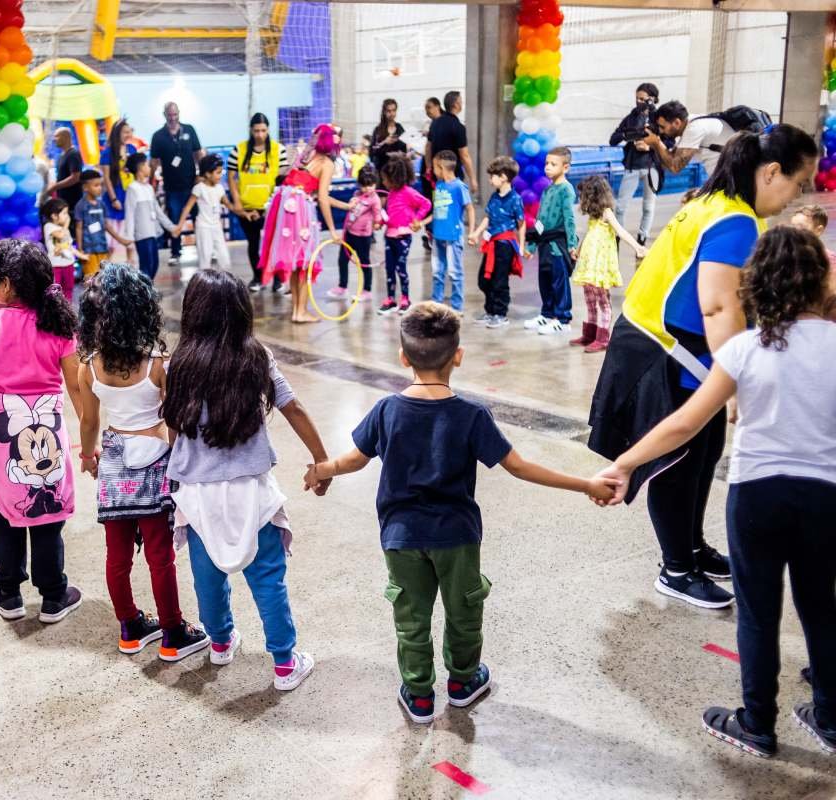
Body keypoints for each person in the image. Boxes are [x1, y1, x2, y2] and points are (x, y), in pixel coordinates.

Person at [305, 302, 616, 722]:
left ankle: (418, 694)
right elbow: (520, 467)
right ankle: (463, 682)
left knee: (411, 617)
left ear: (403, 356)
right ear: (458, 356)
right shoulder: (471, 416)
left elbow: (353, 460)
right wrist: (586, 484)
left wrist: (322, 470)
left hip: (401, 538)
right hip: (458, 538)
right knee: (464, 611)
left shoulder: (387, 410)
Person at [595, 226, 836, 759]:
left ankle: (757, 723)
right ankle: (830, 717)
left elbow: (684, 424)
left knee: (757, 610)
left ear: (758, 285)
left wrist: (627, 463)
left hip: (757, 496)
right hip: (826, 498)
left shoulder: (747, 347)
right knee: (821, 605)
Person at [587, 125, 818, 610]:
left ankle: (692, 548)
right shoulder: (734, 221)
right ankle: (676, 570)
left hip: (667, 344)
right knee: (678, 463)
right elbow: (719, 308)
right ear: (771, 171)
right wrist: (735, 386)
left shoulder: (716, 206)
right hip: (665, 350)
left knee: (703, 452)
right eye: (798, 183)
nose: (798, 195)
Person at [163, 269, 330, 690]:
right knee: (268, 579)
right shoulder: (256, 357)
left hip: (197, 495)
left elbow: (172, 425)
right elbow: (293, 407)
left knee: (207, 577)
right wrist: (320, 459)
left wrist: (176, 468)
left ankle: (220, 643)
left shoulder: (178, 363)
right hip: (251, 492)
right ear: (241, 313)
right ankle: (285, 664)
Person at [77, 264, 210, 661]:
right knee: (160, 556)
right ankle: (172, 632)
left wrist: (88, 456)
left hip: (114, 462)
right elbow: (172, 422)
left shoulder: (89, 366)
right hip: (155, 463)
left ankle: (130, 627)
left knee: (116, 556)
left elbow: (89, 421)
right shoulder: (158, 364)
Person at [0, 239, 84, 623]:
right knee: (47, 508)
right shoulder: (59, 327)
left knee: (2, 513)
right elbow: (76, 386)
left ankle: (9, 592)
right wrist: (88, 437)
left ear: (7, 284)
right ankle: (53, 594)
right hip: (47, 429)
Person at [259, 123, 350, 324]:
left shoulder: (305, 157)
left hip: (286, 204)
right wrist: (334, 230)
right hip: (301, 209)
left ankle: (297, 310)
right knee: (305, 260)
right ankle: (301, 311)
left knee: (295, 260)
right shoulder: (327, 163)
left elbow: (317, 192)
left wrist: (345, 206)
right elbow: (323, 199)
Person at [570, 176, 648, 352]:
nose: (581, 199)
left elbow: (620, 231)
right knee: (589, 300)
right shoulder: (593, 216)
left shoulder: (607, 213)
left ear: (593, 196)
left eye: (583, 195)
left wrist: (637, 247)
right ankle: (589, 334)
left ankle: (603, 338)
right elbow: (589, 235)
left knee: (602, 300)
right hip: (589, 264)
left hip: (601, 265)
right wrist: (579, 250)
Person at [226, 113, 288, 292]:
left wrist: (273, 202)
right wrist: (237, 202)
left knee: (274, 245)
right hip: (247, 208)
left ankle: (277, 279)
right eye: (256, 131)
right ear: (251, 131)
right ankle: (258, 277)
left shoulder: (279, 150)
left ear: (268, 130)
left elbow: (282, 179)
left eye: (263, 130)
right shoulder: (239, 150)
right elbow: (231, 177)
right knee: (253, 244)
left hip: (272, 207)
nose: (260, 135)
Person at [524, 146, 578, 335]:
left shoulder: (566, 190)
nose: (547, 167)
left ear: (565, 168)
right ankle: (547, 314)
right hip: (544, 244)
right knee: (545, 279)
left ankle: (562, 319)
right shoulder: (547, 190)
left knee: (559, 280)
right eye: (546, 163)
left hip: (558, 244)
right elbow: (540, 219)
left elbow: (569, 219)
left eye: (553, 164)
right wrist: (531, 244)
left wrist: (572, 244)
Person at [468, 157, 526, 328]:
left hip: (505, 245)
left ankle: (500, 313)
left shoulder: (515, 199)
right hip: (491, 243)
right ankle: (490, 311)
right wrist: (476, 233)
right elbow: (488, 217)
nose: (489, 180)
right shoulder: (494, 197)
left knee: (500, 280)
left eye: (492, 176)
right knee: (484, 279)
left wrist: (521, 246)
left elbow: (521, 224)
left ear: (503, 177)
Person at [149, 102, 204, 266]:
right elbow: (154, 161)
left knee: (198, 217)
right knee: (173, 218)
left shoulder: (189, 130)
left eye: (175, 114)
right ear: (164, 115)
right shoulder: (158, 136)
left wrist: (202, 175)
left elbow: (198, 153)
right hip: (172, 186)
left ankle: (204, 248)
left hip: (191, 184)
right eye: (169, 115)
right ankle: (175, 252)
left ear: (179, 113)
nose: (173, 118)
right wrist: (151, 182)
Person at [377, 154, 433, 315]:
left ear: (395, 178)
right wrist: (381, 222)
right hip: (389, 236)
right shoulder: (391, 194)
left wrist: (417, 220)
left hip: (403, 237)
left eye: (386, 179)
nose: (384, 183)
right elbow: (391, 215)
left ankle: (405, 299)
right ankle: (390, 299)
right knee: (389, 268)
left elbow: (426, 203)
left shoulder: (408, 192)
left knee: (401, 268)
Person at [610, 83, 660, 245]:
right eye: (637, 99)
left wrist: (650, 146)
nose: (639, 102)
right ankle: (618, 237)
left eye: (643, 99)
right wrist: (629, 136)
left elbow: (669, 141)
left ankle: (642, 238)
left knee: (648, 206)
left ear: (653, 99)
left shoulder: (659, 118)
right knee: (620, 206)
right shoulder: (631, 117)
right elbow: (613, 139)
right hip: (632, 166)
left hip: (652, 167)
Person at [121, 153, 179, 281]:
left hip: (152, 233)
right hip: (141, 235)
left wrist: (171, 227)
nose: (149, 167)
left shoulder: (149, 188)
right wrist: (129, 237)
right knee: (146, 266)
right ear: (140, 168)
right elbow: (129, 214)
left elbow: (158, 212)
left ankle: (146, 290)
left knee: (155, 264)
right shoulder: (132, 188)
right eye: (146, 164)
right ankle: (145, 293)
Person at [430, 150, 475, 313]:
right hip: (438, 236)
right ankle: (436, 302)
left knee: (455, 272)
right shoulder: (439, 185)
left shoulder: (459, 187)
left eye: (434, 167)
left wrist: (471, 232)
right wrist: (423, 223)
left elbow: (469, 208)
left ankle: (457, 306)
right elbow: (437, 210)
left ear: (441, 167)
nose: (432, 171)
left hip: (453, 237)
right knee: (437, 271)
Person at [644, 100, 737, 178]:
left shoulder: (694, 128)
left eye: (663, 127)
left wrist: (657, 143)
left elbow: (675, 167)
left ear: (677, 122)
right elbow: (668, 162)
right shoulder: (690, 123)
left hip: (734, 176)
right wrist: (653, 145)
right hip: (728, 176)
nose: (661, 131)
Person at [329, 165, 382, 301]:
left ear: (376, 184)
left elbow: (377, 214)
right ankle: (342, 286)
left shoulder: (374, 199)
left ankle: (367, 290)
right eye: (364, 186)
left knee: (364, 262)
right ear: (359, 185)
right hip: (349, 232)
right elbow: (351, 209)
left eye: (371, 185)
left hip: (363, 236)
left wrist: (377, 223)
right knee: (342, 260)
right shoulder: (356, 194)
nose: (368, 189)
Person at [176, 154, 233, 270]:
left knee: (224, 258)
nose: (220, 175)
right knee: (205, 259)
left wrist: (245, 213)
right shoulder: (199, 188)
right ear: (207, 174)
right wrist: (179, 226)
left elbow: (229, 205)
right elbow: (187, 207)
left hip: (216, 227)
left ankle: (227, 284)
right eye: (218, 172)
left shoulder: (220, 188)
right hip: (203, 228)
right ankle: (204, 286)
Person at [74, 169, 130, 282]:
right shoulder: (81, 206)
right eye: (96, 185)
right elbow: (79, 228)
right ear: (85, 187)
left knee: (104, 278)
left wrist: (121, 240)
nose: (100, 188)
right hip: (88, 250)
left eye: (100, 185)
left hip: (102, 248)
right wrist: (80, 249)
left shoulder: (102, 204)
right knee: (90, 279)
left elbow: (106, 225)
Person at [100, 118, 139, 260]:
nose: (128, 134)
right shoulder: (108, 152)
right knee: (113, 238)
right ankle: (108, 268)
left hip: (130, 194)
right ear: (117, 133)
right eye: (125, 132)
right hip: (115, 196)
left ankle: (131, 268)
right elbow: (106, 178)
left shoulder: (132, 149)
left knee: (130, 234)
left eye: (130, 132)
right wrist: (113, 198)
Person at [427, 91, 478, 196]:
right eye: (460, 102)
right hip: (453, 176)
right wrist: (472, 179)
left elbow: (428, 147)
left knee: (441, 207)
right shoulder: (458, 127)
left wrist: (428, 167)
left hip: (437, 175)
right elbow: (464, 155)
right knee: (455, 208)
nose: (461, 104)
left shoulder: (435, 123)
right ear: (456, 104)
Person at [41, 197, 84, 296]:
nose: (67, 216)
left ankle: (67, 307)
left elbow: (68, 246)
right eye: (64, 213)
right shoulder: (48, 226)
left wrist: (81, 255)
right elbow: (60, 235)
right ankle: (56, 309)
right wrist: (67, 224)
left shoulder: (64, 229)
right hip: (56, 265)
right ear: (54, 216)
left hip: (68, 263)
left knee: (69, 287)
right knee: (55, 290)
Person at [44, 128, 84, 214]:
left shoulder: (73, 154)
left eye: (57, 136)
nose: (54, 140)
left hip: (73, 202)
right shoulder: (62, 155)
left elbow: (75, 177)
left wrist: (55, 187)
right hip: (63, 200)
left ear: (66, 137)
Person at [420, 96, 444, 227]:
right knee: (430, 198)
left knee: (438, 199)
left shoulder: (442, 123)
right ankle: (430, 228)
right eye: (425, 109)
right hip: (430, 170)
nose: (427, 111)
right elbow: (428, 147)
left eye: (429, 107)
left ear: (437, 106)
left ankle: (435, 225)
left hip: (438, 171)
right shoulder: (433, 124)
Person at [369, 98, 408, 173]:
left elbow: (404, 150)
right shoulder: (378, 130)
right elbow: (372, 151)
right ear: (384, 112)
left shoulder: (399, 128)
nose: (392, 114)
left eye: (394, 110)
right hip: (382, 170)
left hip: (397, 170)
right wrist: (385, 142)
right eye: (389, 111)